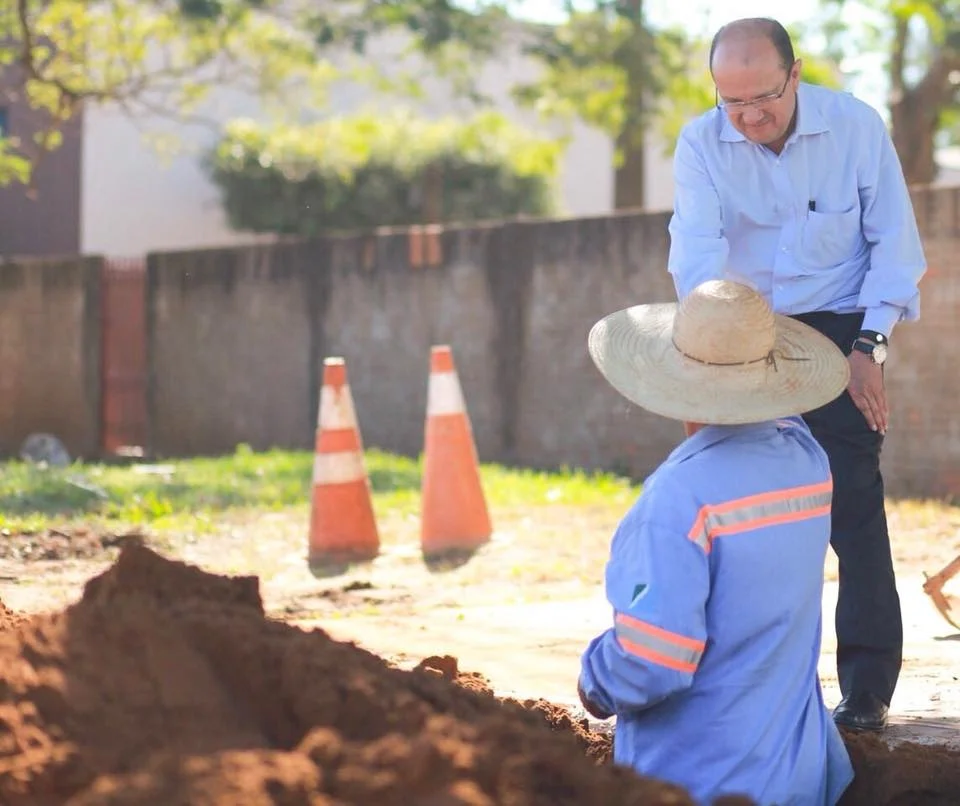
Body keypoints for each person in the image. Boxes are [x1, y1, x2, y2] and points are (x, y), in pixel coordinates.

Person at [665, 16, 927, 733]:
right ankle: (743, 687)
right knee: (743, 514)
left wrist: (869, 348)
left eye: (764, 99)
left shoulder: (856, 128)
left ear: (796, 74)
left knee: (851, 506)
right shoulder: (700, 143)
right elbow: (696, 253)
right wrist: (706, 363)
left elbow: (894, 247)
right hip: (742, 324)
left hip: (841, 324)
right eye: (732, 102)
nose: (749, 117)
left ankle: (867, 689)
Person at [577, 279, 855, 805]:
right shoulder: (807, 461)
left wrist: (594, 682)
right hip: (799, 777)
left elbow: (650, 662)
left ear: (672, 377)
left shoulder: (677, 500)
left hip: (700, 783)